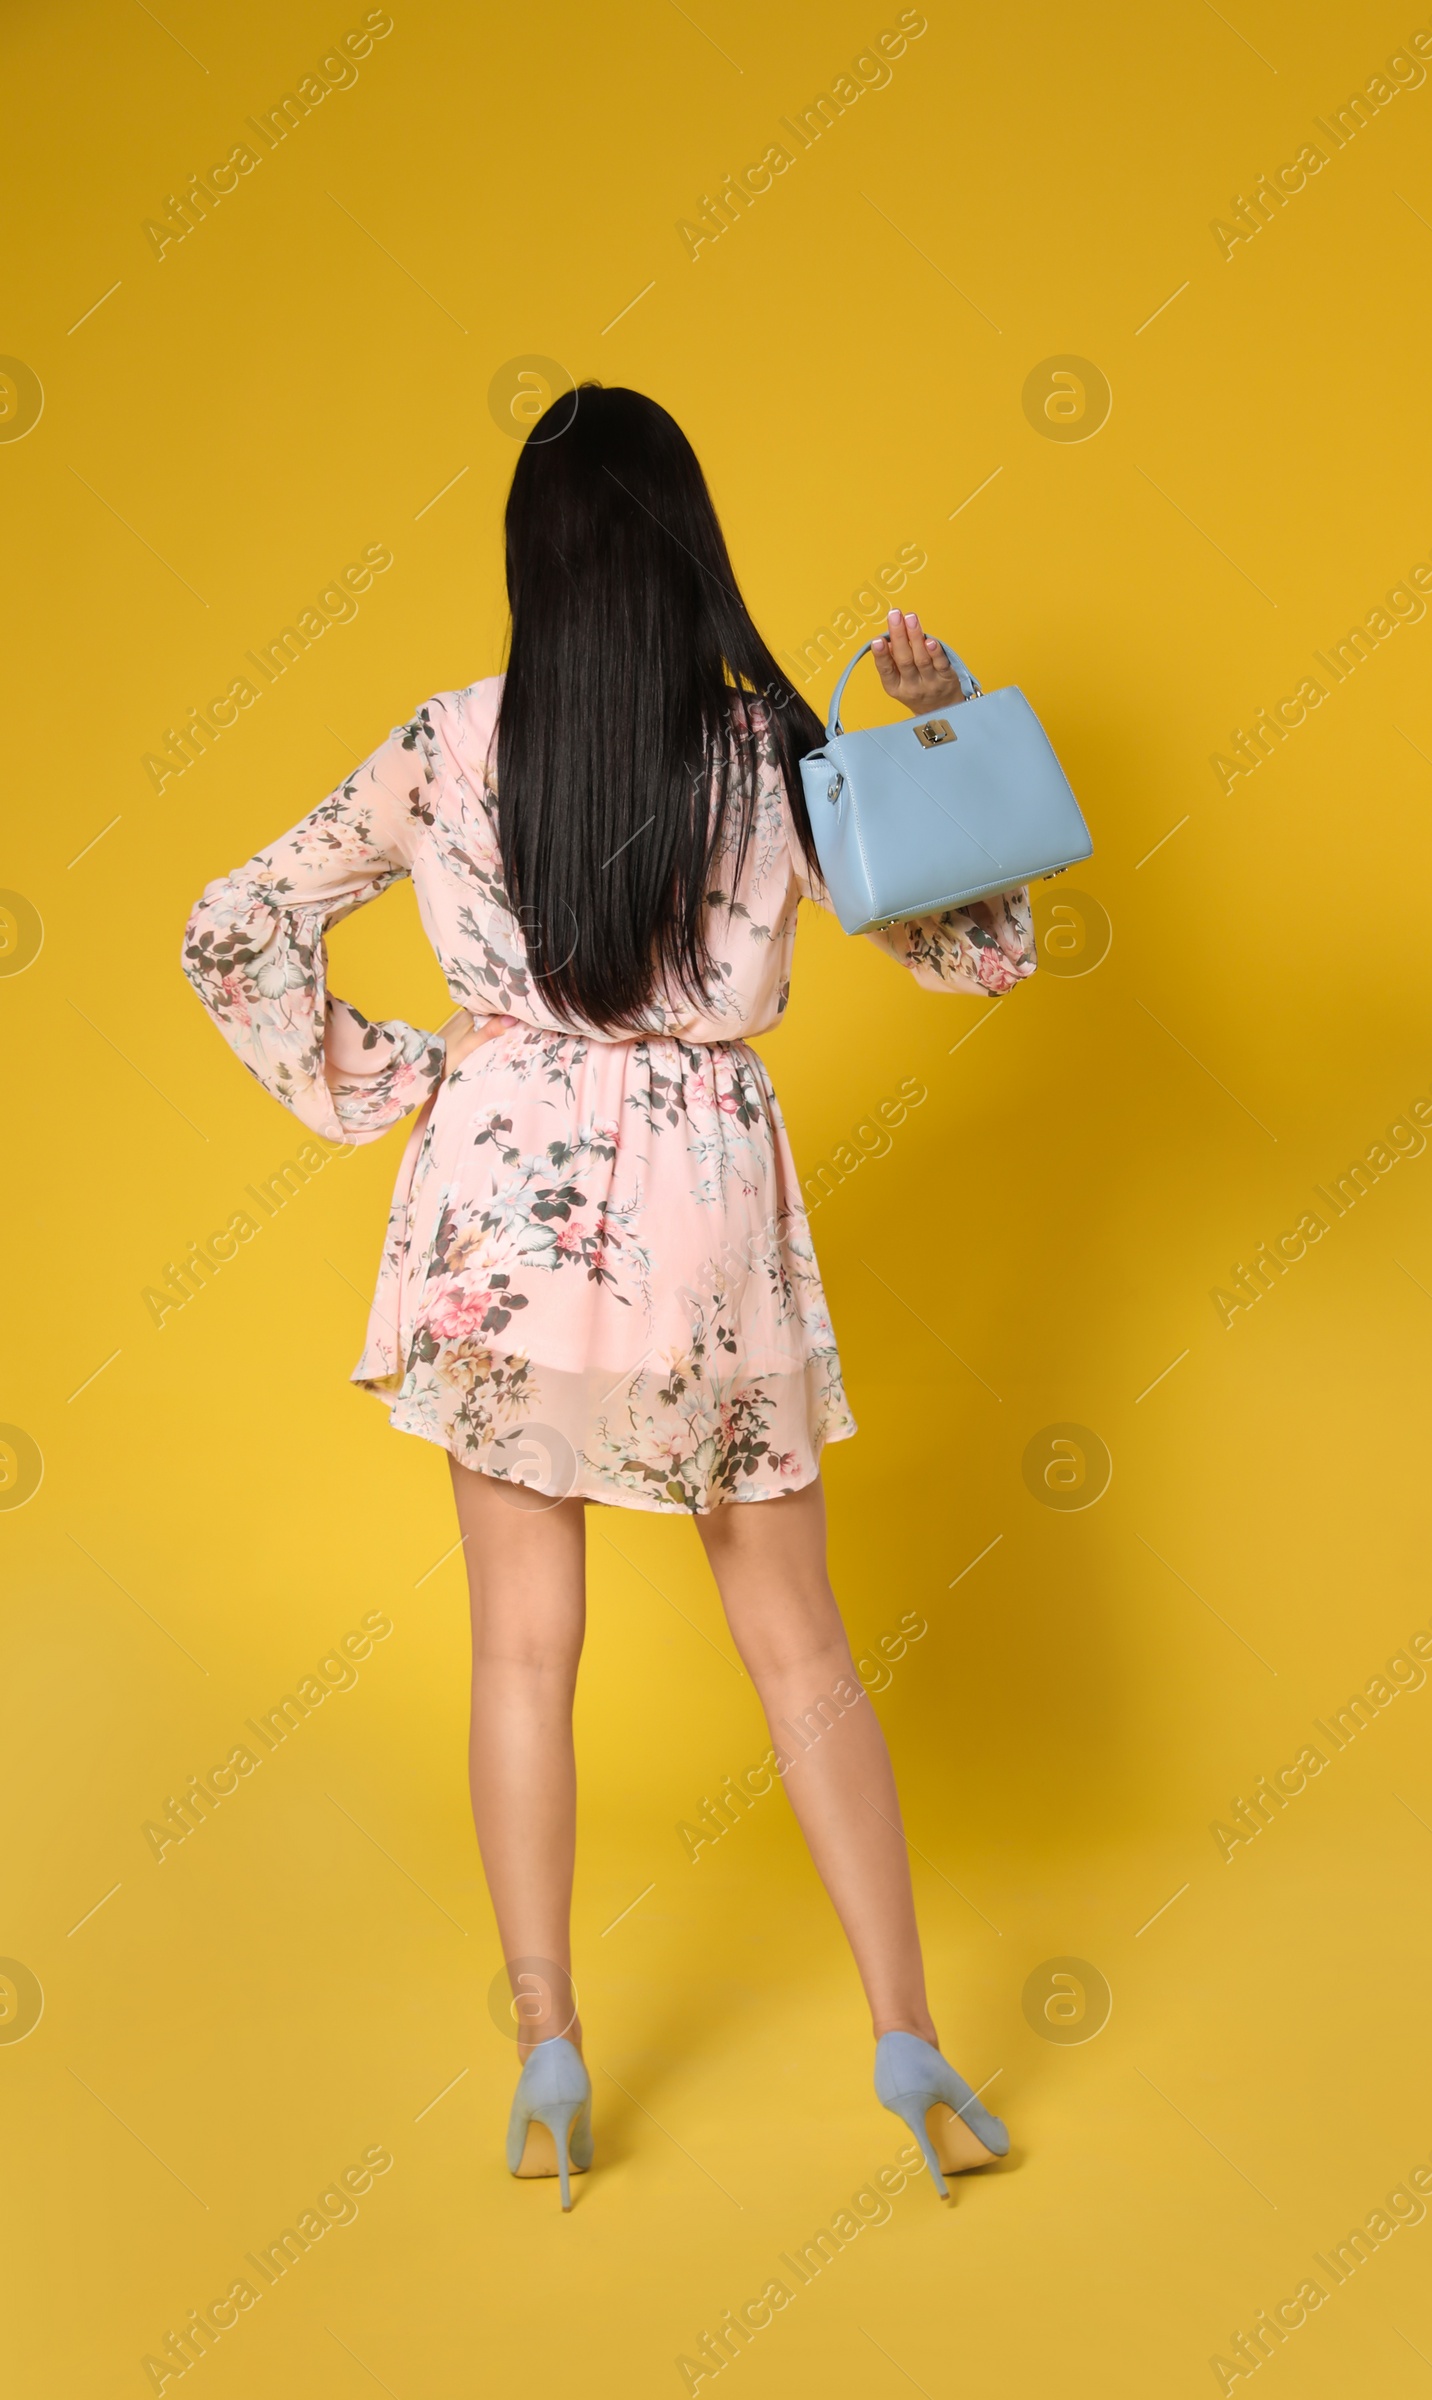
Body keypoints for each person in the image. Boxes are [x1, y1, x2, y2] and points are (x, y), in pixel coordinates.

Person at [182, 383, 1033, 2208]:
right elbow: (984, 954)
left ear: (532, 562)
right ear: (686, 548)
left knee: (518, 1649)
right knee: (798, 1645)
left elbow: (232, 921)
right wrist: (939, 728)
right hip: (706, 1210)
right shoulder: (767, 752)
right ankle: (906, 2033)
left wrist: (384, 1076)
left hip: (500, 1200)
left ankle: (549, 2048)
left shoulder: (445, 740)